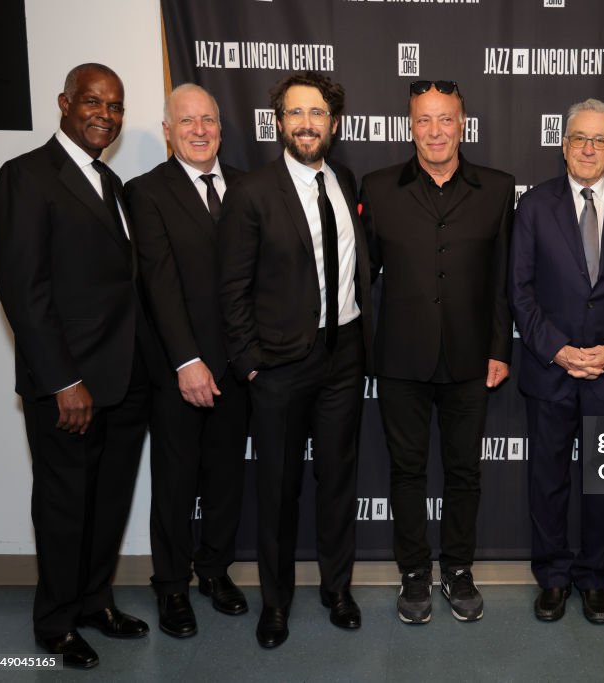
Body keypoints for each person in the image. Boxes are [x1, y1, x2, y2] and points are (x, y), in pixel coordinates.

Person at [0, 63, 155, 669]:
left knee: (107, 504)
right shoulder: (25, 178)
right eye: (92, 102)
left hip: (124, 379)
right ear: (63, 102)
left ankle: (94, 603)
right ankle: (55, 624)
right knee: (64, 506)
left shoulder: (110, 182)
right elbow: (24, 291)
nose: (104, 115)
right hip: (71, 387)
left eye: (114, 106)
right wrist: (64, 380)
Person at [218, 71, 373, 648]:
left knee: (338, 481)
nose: (307, 124)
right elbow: (231, 287)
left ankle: (338, 590)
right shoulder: (253, 192)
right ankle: (276, 604)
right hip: (279, 367)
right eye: (295, 113)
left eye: (318, 113)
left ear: (334, 122)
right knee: (278, 490)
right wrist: (250, 362)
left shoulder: (344, 179)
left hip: (344, 355)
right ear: (278, 122)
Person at [359, 80, 513, 624]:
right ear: (410, 126)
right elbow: (361, 279)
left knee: (464, 471)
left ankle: (459, 570)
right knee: (406, 471)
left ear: (463, 124)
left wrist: (500, 348)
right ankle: (413, 573)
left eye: (445, 119)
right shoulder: (377, 189)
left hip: (473, 360)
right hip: (401, 359)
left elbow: (502, 281)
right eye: (424, 120)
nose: (435, 131)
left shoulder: (497, 189)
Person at [509, 98, 604, 624]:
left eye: (599, 141)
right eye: (578, 138)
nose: (588, 149)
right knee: (547, 481)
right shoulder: (533, 206)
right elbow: (519, 291)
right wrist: (559, 349)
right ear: (563, 145)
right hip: (550, 370)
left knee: (603, 481)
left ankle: (594, 577)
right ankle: (551, 577)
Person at [125, 84, 249, 638]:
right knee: (175, 484)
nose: (200, 130)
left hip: (241, 367)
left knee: (225, 479)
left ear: (221, 128)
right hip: (181, 370)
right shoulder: (145, 192)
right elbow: (159, 285)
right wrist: (187, 361)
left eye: (209, 121)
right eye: (187, 121)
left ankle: (214, 571)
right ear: (169, 130)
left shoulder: (249, 187)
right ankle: (171, 585)